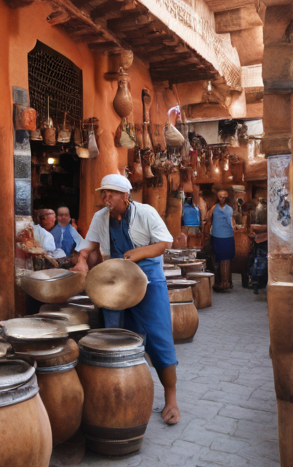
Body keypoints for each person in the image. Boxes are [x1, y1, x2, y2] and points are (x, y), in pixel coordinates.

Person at [71, 174, 180, 425]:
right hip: (114, 281)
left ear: (125, 196)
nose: (105, 198)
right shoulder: (101, 217)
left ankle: (171, 398)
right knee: (119, 337)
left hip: (149, 279)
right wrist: (81, 259)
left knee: (158, 336)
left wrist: (140, 252)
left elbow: (165, 242)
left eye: (111, 193)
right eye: (103, 193)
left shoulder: (146, 212)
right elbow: (88, 245)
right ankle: (128, 391)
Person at [204, 189, 236, 292]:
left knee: (226, 258)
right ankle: (223, 282)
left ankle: (225, 282)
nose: (223, 198)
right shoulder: (214, 208)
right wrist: (206, 234)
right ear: (217, 197)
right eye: (221, 196)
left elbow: (233, 222)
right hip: (217, 236)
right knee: (219, 259)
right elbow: (208, 220)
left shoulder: (230, 209)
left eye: (224, 196)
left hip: (227, 237)